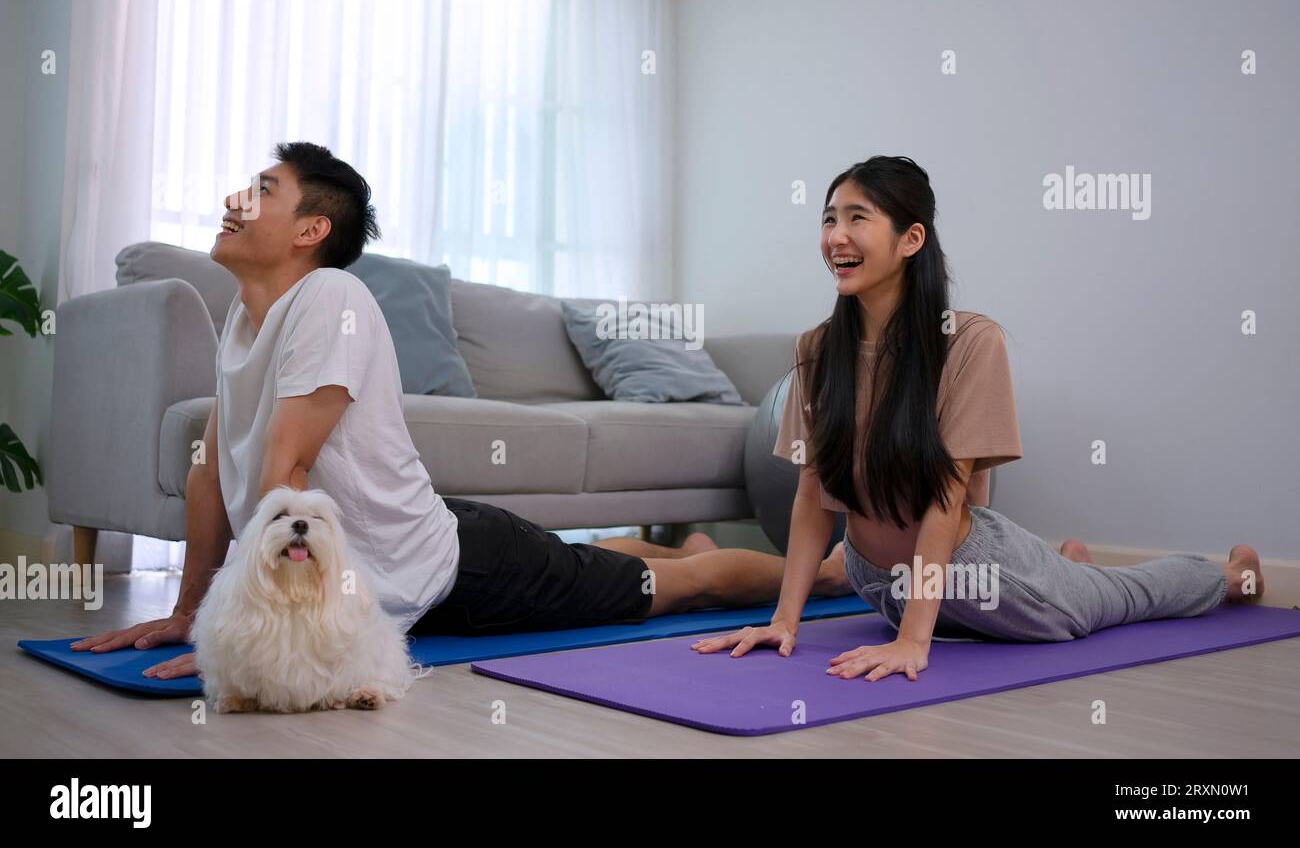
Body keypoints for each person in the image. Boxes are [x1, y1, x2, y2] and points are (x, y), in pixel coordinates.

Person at [71, 142, 850, 680]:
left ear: (312, 230)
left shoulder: (331, 297)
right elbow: (214, 471)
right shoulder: (245, 321)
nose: (236, 201)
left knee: (683, 593)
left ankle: (834, 577)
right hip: (434, 552)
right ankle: (676, 549)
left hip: (462, 575)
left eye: (263, 191)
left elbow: (285, 474)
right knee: (602, 568)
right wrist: (187, 610)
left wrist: (239, 634)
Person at [691, 155, 1263, 681]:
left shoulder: (968, 341)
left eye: (857, 218)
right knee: (1071, 586)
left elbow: (946, 499)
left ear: (911, 238)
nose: (835, 236)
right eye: (828, 219)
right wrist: (784, 622)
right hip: (875, 579)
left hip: (984, 577)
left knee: (1121, 597)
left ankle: (1233, 577)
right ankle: (1069, 566)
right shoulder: (815, 349)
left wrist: (914, 641)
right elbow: (811, 495)